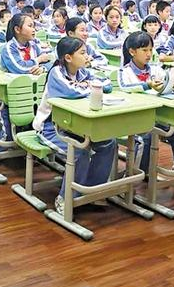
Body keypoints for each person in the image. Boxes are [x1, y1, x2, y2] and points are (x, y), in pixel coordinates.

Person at [33, 37, 116, 215]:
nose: (87, 57)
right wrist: (90, 87)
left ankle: (92, 191)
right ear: (68, 57)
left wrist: (87, 84)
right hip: (51, 128)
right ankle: (66, 197)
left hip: (77, 126)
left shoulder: (82, 72)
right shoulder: (56, 72)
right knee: (79, 151)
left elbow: (107, 84)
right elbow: (71, 91)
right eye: (83, 53)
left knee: (109, 142)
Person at [119, 31, 174, 171]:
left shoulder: (156, 69)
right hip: (134, 117)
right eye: (144, 50)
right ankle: (141, 171)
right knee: (147, 136)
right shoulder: (125, 71)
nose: (149, 54)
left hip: (155, 115)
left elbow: (166, 83)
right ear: (132, 51)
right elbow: (125, 87)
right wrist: (147, 85)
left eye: (150, 50)